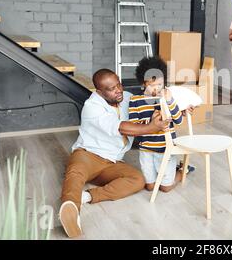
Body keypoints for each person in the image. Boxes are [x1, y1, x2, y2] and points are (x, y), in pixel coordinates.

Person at [58, 68, 170, 238]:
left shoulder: (126, 98)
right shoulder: (92, 106)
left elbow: (152, 104)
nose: (118, 90)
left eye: (119, 84)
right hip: (88, 154)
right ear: (100, 92)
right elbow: (121, 127)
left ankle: (87, 196)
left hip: (113, 162)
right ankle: (71, 212)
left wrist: (179, 108)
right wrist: (150, 128)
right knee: (75, 173)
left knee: (138, 180)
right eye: (112, 88)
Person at [129, 56, 186, 193]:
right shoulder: (135, 100)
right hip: (146, 149)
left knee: (165, 187)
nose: (156, 89)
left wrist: (170, 101)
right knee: (150, 187)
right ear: (143, 84)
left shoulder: (168, 98)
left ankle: (183, 170)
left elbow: (179, 121)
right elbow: (134, 125)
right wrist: (150, 123)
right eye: (152, 85)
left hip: (166, 148)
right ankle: (173, 170)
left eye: (160, 84)